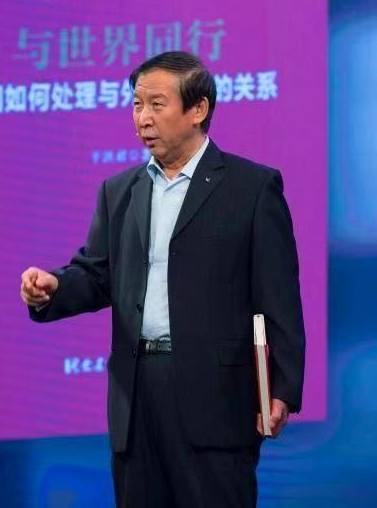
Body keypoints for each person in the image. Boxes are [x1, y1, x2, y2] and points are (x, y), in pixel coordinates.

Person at [21, 51, 305, 508]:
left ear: (198, 109)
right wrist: (53, 288)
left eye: (157, 104)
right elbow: (97, 275)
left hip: (215, 397)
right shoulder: (120, 191)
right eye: (137, 105)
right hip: (136, 395)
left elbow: (279, 296)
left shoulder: (252, 188)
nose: (143, 118)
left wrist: (283, 387)